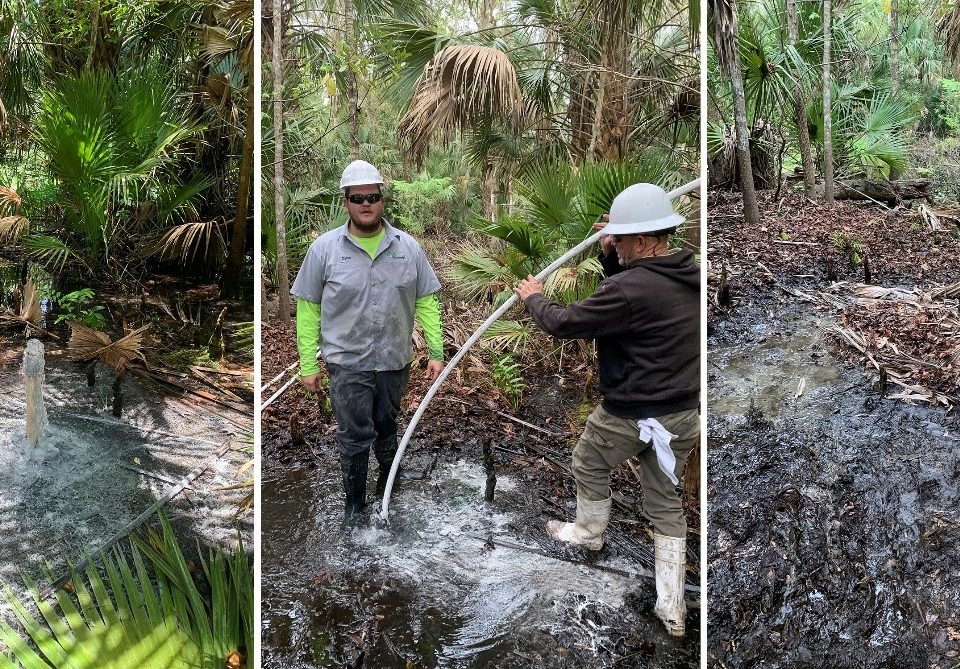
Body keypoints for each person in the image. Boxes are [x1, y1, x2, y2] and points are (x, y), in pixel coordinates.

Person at [513, 183, 699, 637]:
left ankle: (588, 533)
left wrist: (534, 296)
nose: (615, 241)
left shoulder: (630, 288)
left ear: (640, 240)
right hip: (682, 415)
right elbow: (633, 299)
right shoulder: (687, 271)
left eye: (622, 237)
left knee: (588, 460)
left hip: (633, 413)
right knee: (662, 497)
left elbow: (565, 322)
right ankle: (671, 607)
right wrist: (613, 253)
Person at [291, 160, 445, 528]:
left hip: (394, 360)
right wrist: (308, 364)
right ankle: (354, 510)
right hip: (347, 363)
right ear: (345, 201)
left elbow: (426, 300)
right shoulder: (324, 250)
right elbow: (308, 309)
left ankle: (386, 497)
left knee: (387, 425)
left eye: (372, 197)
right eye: (357, 197)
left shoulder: (407, 247)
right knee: (355, 434)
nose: (366, 204)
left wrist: (437, 352)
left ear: (382, 200)